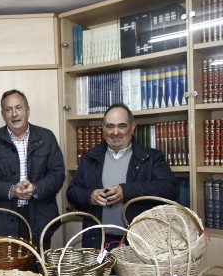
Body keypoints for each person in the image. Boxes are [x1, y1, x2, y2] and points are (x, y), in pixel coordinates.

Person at [66, 103, 179, 249]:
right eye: (110, 126)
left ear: (132, 127)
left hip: (138, 244)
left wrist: (127, 191)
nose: (115, 132)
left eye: (122, 126)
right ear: (103, 129)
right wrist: (90, 196)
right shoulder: (90, 158)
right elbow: (72, 192)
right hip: (97, 242)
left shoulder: (152, 158)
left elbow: (170, 189)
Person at [0, 89, 65, 250]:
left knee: (38, 269)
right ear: (3, 114)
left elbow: (57, 174)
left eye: (19, 108)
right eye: (8, 110)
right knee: (9, 272)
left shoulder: (46, 137)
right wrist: (11, 190)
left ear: (27, 110)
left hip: (41, 217)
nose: (14, 114)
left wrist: (36, 188)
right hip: (4, 219)